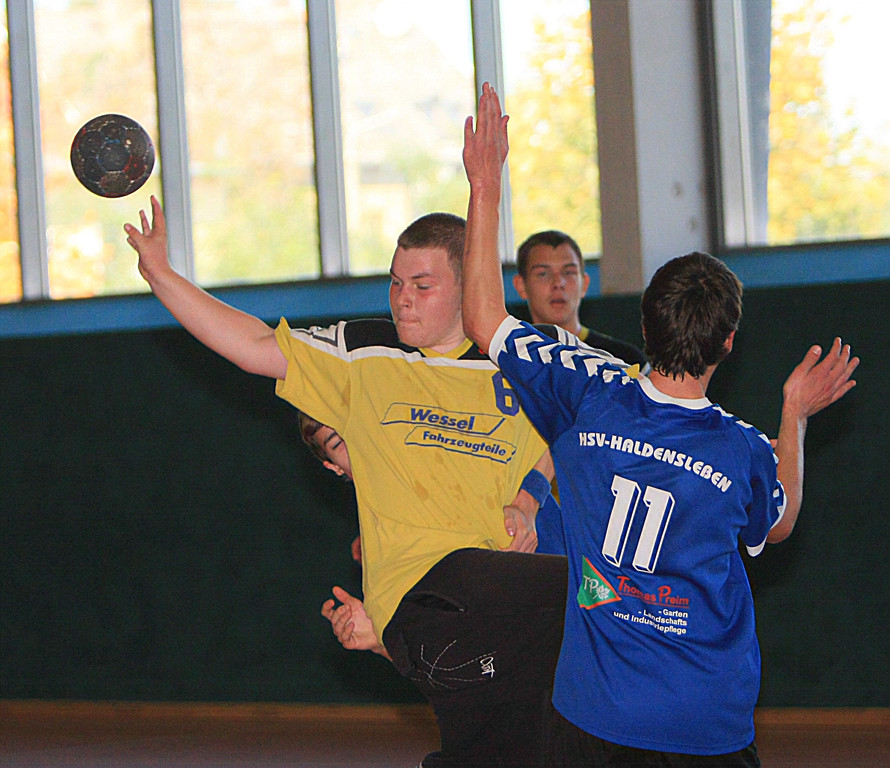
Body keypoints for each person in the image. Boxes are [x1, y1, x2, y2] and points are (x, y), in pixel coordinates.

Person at [460, 83, 859, 765]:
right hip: (705, 721)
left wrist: (486, 185)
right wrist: (793, 416)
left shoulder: (585, 388)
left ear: (644, 327)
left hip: (596, 717)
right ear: (727, 344)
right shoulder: (741, 451)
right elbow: (780, 521)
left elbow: (482, 319)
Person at [125, 199, 570, 767]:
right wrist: (161, 275)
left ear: (468, 288)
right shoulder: (364, 354)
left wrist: (529, 497)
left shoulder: (526, 359)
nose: (402, 298)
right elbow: (255, 346)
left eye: (422, 285)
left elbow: (589, 420)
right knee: (583, 593)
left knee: (528, 745)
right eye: (395, 282)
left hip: (499, 617)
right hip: (427, 592)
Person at [514, 229, 647, 368]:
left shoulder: (625, 359)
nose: (558, 283)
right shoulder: (510, 359)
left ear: (584, 284)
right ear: (521, 286)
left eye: (568, 272)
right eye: (543, 274)